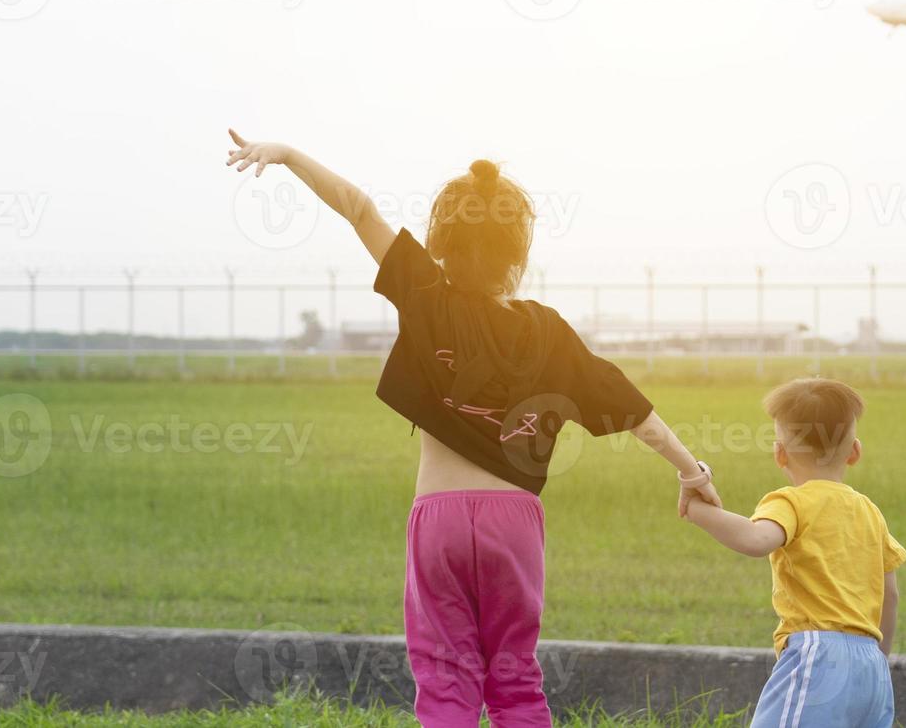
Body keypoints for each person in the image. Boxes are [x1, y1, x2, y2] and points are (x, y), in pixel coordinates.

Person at [224, 131, 721, 728]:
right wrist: (693, 472)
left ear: (438, 243)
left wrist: (286, 154)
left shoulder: (425, 294)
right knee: (514, 675)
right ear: (518, 254)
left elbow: (358, 207)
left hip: (439, 521)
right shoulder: (549, 331)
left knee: (445, 675)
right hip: (513, 524)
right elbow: (635, 412)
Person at [682, 377, 905, 728]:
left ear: (780, 453)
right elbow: (889, 594)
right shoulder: (870, 512)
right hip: (872, 665)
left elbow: (756, 540)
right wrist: (879, 658)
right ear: (854, 451)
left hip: (819, 656)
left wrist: (698, 512)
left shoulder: (792, 502)